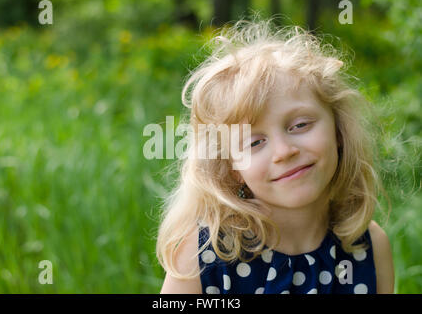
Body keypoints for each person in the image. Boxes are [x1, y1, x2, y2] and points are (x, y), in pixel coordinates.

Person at [156, 19, 394, 294]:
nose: (284, 152)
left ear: (339, 130)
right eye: (255, 142)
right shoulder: (204, 257)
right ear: (233, 167)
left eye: (300, 125)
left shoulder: (369, 247)